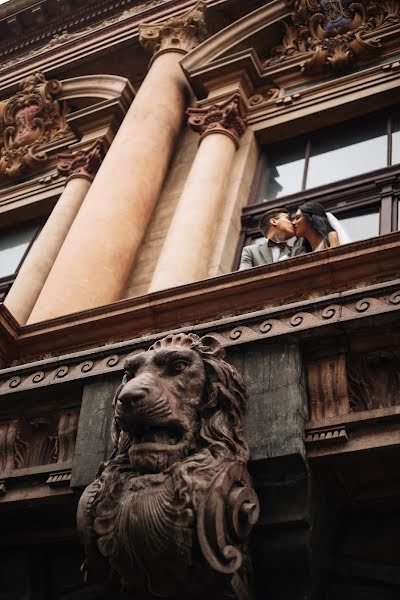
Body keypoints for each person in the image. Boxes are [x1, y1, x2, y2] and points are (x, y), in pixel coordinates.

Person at [239, 207, 305, 270]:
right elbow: (242, 276)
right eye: (288, 218)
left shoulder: (298, 251)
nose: (293, 223)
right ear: (274, 221)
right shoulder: (250, 251)